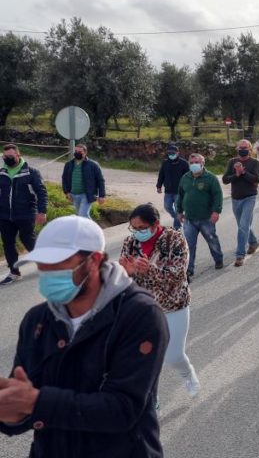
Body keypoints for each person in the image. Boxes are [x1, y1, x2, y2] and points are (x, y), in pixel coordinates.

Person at [0, 215, 169, 457]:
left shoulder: (140, 315)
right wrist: (11, 412)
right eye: (42, 265)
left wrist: (37, 402)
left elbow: (122, 409)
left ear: (95, 260)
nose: (47, 273)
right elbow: (26, 398)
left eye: (58, 264)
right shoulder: (37, 321)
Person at [119, 204, 200, 398]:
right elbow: (123, 277)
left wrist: (150, 270)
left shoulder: (175, 240)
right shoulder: (130, 243)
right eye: (134, 228)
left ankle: (187, 373)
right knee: (144, 357)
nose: (137, 233)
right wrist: (126, 273)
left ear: (155, 224)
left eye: (141, 228)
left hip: (173, 305)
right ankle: (150, 399)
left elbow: (178, 275)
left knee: (173, 356)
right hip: (143, 307)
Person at [0, 144, 47, 286]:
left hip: (26, 214)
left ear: (18, 156)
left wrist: (42, 211)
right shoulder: (1, 173)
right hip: (5, 215)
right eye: (4, 156)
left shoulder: (31, 172)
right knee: (8, 244)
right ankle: (14, 272)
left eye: (10, 156)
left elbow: (41, 192)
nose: (7, 158)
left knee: (28, 241)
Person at [176, 154, 224, 279]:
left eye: (197, 162)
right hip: (189, 219)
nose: (194, 164)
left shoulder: (210, 178)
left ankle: (218, 259)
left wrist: (216, 211)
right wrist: (179, 211)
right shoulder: (185, 177)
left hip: (206, 218)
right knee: (188, 245)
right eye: (191, 162)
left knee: (212, 240)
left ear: (203, 163)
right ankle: (189, 269)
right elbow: (180, 195)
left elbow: (217, 195)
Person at [222, 140, 259, 267]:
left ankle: (240, 255)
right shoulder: (231, 162)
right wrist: (236, 174)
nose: (243, 149)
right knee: (242, 225)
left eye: (245, 147)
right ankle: (253, 242)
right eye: (240, 147)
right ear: (237, 148)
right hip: (235, 198)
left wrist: (243, 173)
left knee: (243, 225)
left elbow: (256, 180)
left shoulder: (255, 162)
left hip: (249, 197)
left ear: (250, 149)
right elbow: (225, 180)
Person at [62, 144, 106, 219]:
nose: (77, 153)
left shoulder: (93, 165)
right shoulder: (69, 164)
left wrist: (102, 195)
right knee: (80, 216)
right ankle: (87, 230)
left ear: (85, 153)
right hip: (74, 195)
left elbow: (100, 180)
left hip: (86, 195)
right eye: (76, 151)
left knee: (82, 215)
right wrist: (66, 192)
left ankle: (93, 230)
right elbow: (64, 179)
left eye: (80, 151)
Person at [156, 144, 189, 230]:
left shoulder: (184, 163)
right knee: (167, 207)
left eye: (173, 153)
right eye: (169, 153)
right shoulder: (165, 163)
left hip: (179, 191)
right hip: (168, 191)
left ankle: (177, 226)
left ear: (178, 153)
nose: (171, 154)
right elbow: (161, 175)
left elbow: (189, 176)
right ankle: (177, 217)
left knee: (178, 208)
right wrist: (158, 186)